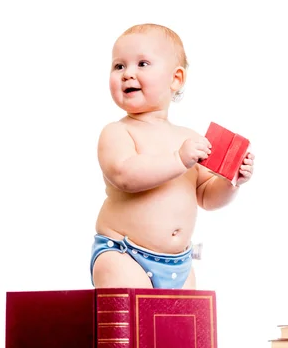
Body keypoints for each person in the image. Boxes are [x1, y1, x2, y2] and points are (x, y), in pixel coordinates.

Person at [90, 23, 255, 289]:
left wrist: (231, 182)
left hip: (179, 263)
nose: (127, 74)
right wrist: (179, 160)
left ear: (175, 79)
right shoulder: (117, 132)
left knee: (179, 328)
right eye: (118, 66)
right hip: (124, 255)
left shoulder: (188, 138)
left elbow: (206, 196)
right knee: (133, 323)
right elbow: (125, 175)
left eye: (142, 63)